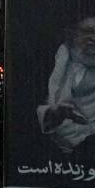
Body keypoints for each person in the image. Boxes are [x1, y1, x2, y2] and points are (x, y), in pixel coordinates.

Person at [37, 15, 95, 157]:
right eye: (88, 31)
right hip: (50, 155)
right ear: (72, 35)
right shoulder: (50, 63)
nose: (93, 39)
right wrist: (51, 117)